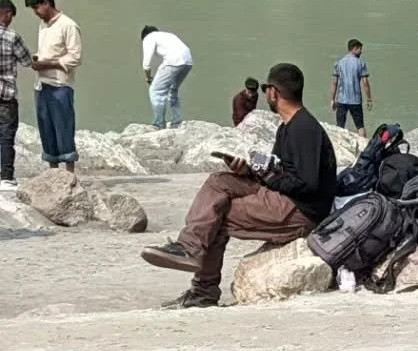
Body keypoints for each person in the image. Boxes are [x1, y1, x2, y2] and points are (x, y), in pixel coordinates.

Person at [140, 63, 337, 307]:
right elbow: (278, 171)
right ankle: (189, 247)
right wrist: (250, 171)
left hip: (300, 211)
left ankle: (204, 290)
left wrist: (270, 178)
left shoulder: (305, 130)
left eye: (266, 89)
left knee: (218, 214)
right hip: (281, 195)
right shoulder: (286, 128)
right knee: (219, 182)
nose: (266, 95)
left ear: (274, 92)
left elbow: (308, 185)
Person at [24, 0, 82, 175]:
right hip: (41, 84)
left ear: (46, 4)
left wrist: (50, 64)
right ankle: (53, 174)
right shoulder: (44, 25)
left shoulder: (68, 25)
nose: (35, 13)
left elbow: (75, 58)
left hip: (60, 85)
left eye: (36, 8)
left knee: (63, 127)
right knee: (46, 128)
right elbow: (46, 52)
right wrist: (37, 60)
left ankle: (69, 174)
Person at [0, 0, 32, 192]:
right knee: (5, 136)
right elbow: (28, 60)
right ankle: (5, 176)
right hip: (5, 95)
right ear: (7, 14)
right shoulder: (12, 37)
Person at [140, 24, 193, 129]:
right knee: (173, 91)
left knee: (155, 91)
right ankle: (176, 122)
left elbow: (146, 64)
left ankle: (159, 124)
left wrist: (148, 78)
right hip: (188, 61)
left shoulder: (148, 37)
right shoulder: (168, 35)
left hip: (173, 62)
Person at [330, 38, 372, 137]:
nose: (361, 52)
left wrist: (332, 99)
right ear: (354, 48)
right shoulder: (361, 63)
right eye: (360, 49)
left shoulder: (338, 63)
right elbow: (365, 83)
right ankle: (364, 147)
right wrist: (369, 99)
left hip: (341, 99)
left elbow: (334, 83)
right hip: (356, 100)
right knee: (360, 126)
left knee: (340, 126)